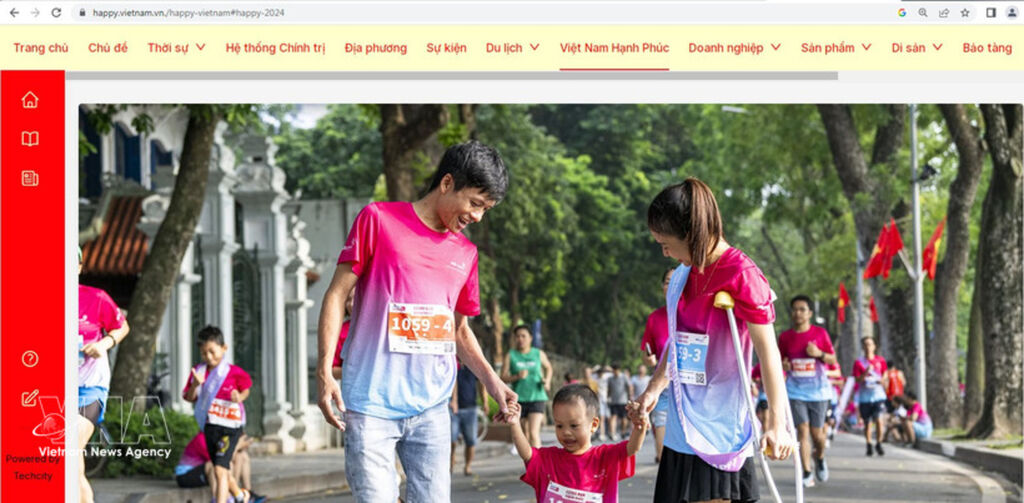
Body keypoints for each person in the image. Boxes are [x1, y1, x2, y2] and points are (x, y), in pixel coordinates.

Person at [315, 141, 518, 503]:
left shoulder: (466, 253)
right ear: (447, 183)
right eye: (475, 203)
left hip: (432, 410)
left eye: (486, 209)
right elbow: (335, 295)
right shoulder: (378, 220)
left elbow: (458, 330)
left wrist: (493, 382)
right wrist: (324, 372)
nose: (478, 217)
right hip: (371, 405)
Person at [629, 178, 795, 503]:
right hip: (681, 427)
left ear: (692, 234)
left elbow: (769, 353)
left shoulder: (742, 274)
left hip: (720, 427)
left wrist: (778, 424)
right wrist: (653, 390)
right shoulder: (684, 273)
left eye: (666, 244)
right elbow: (679, 341)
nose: (664, 253)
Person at [511, 384, 646, 502]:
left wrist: (639, 426)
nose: (566, 432)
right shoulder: (549, 459)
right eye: (559, 426)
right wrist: (514, 423)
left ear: (594, 425)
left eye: (574, 426)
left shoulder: (604, 456)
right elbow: (527, 454)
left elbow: (632, 448)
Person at [78, 246, 130, 503]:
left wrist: (104, 344)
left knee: (68, 448)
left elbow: (122, 326)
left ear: (78, 268)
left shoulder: (96, 297)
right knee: (71, 460)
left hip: (90, 388)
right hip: (54, 391)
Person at [183, 326, 253, 503]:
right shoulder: (198, 372)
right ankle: (240, 495)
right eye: (204, 353)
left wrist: (239, 397)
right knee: (221, 469)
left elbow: (246, 389)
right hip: (210, 427)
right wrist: (195, 385)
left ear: (224, 348)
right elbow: (189, 398)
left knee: (219, 470)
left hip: (230, 428)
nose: (208, 357)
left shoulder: (234, 372)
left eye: (212, 351)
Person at [778, 295, 837, 487]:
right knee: (802, 430)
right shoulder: (785, 337)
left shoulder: (820, 334)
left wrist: (819, 354)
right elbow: (779, 361)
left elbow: (832, 359)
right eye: (795, 309)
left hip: (819, 392)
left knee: (817, 435)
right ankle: (806, 471)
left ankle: (819, 457)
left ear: (810, 313)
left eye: (802, 309)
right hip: (795, 391)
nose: (798, 313)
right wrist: (784, 365)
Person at [639, 267, 678, 463]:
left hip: (690, 389)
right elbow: (647, 355)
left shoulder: (694, 314)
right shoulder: (655, 318)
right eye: (667, 282)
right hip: (662, 388)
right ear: (662, 287)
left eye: (676, 280)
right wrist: (649, 359)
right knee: (664, 456)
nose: (671, 286)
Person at [174, 432, 267, 503]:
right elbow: (219, 461)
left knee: (242, 456)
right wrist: (238, 445)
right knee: (217, 465)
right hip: (185, 476)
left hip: (204, 472)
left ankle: (246, 492)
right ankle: (217, 499)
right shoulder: (202, 439)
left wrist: (240, 447)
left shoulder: (219, 438)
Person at [502, 324, 553, 449]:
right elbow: (502, 377)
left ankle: (538, 461)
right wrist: (516, 377)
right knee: (525, 434)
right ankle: (528, 459)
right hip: (519, 398)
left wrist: (547, 381)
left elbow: (548, 368)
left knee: (533, 432)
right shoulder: (511, 355)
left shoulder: (538, 353)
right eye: (517, 336)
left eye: (523, 336)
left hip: (537, 396)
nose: (520, 339)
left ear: (530, 338)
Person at [853, 336, 888, 456]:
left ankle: (879, 443)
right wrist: (866, 372)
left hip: (878, 396)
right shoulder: (859, 363)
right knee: (867, 423)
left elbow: (885, 374)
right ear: (863, 347)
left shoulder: (880, 361)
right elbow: (857, 379)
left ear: (874, 346)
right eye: (866, 344)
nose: (868, 347)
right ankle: (868, 444)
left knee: (879, 419)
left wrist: (882, 380)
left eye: (870, 344)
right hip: (865, 397)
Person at [450, 362, 484, 475]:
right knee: (451, 439)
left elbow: (481, 384)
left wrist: (485, 402)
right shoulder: (453, 363)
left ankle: (467, 466)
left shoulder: (473, 365)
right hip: (453, 409)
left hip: (470, 408)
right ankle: (451, 461)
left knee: (471, 440)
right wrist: (453, 400)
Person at [606, 364, 631, 440]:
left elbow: (628, 387)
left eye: (616, 370)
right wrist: (608, 397)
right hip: (614, 401)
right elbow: (609, 389)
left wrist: (629, 397)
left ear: (619, 370)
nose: (614, 372)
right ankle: (612, 433)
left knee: (624, 418)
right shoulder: (610, 379)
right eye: (613, 370)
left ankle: (623, 432)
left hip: (623, 401)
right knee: (613, 417)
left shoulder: (624, 377)